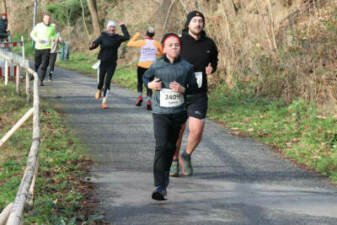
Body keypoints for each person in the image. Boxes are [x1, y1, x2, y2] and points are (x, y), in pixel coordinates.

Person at [143, 33, 195, 200]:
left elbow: (194, 89)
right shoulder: (156, 66)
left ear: (180, 48)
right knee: (161, 145)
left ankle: (163, 181)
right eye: (170, 45)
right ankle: (159, 185)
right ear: (164, 48)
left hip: (178, 113)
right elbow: (145, 78)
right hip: (160, 112)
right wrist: (151, 85)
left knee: (171, 147)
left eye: (177, 45)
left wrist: (183, 90)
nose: (174, 47)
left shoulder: (187, 67)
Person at [169, 10, 218, 177]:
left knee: (197, 130)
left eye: (200, 21)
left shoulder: (209, 43)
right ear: (188, 24)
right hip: (178, 93)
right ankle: (174, 160)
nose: (198, 23)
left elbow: (214, 60)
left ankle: (186, 155)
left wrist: (212, 67)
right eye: (195, 20)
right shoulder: (179, 42)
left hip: (199, 92)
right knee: (178, 131)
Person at [89, 20, 130, 109]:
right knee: (100, 82)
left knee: (107, 82)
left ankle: (104, 101)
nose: (112, 28)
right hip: (103, 62)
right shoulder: (103, 36)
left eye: (113, 27)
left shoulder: (117, 38)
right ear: (108, 28)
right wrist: (92, 46)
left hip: (112, 63)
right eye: (110, 27)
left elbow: (127, 37)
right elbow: (95, 43)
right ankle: (99, 89)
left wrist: (123, 26)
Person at [127, 26, 163, 110]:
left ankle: (139, 97)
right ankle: (149, 101)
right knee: (150, 83)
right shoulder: (156, 43)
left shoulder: (142, 42)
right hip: (152, 66)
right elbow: (161, 53)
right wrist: (154, 52)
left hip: (141, 65)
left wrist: (136, 35)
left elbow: (129, 43)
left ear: (146, 33)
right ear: (153, 34)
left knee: (140, 82)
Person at [30, 13, 57, 86]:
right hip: (38, 48)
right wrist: (36, 39)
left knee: (44, 65)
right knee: (37, 63)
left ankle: (41, 80)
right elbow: (32, 34)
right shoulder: (38, 26)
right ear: (43, 19)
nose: (47, 20)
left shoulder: (52, 27)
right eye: (46, 19)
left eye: (49, 19)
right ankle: (34, 73)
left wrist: (53, 38)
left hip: (47, 48)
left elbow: (54, 34)